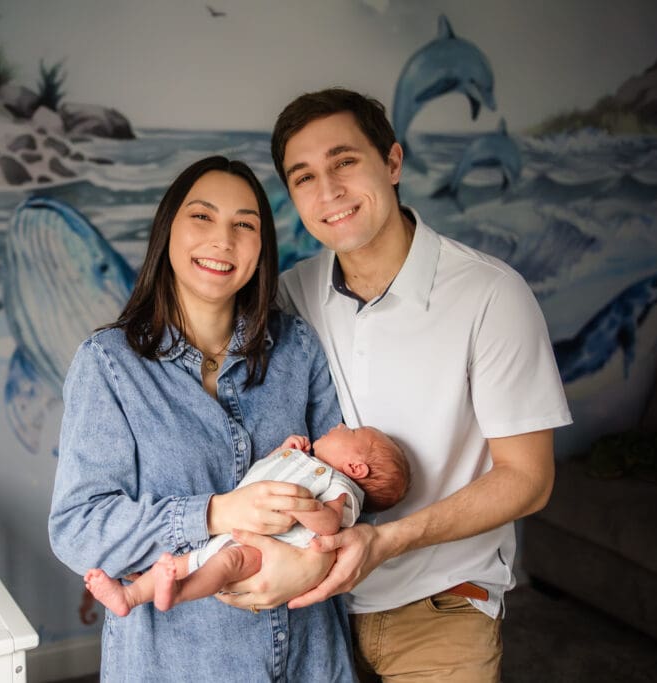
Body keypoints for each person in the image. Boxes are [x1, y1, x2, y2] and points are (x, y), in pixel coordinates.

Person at [213, 88, 573, 682]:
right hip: (311, 612)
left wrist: (385, 543)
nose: (327, 191)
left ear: (394, 162)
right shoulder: (289, 295)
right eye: (304, 177)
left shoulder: (490, 296)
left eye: (345, 162)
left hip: (441, 605)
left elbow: (528, 480)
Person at [48, 155, 358, 681]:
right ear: (167, 229)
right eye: (202, 217)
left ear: (261, 247)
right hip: (175, 664)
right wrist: (214, 514)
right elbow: (78, 529)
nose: (223, 240)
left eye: (245, 224)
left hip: (310, 658)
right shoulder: (108, 364)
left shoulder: (297, 349)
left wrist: (313, 560)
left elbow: (347, 483)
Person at [83, 423, 410, 617]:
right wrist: (284, 450)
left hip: (266, 549)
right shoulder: (304, 458)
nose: (339, 425)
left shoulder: (340, 489)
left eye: (350, 431)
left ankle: (179, 593)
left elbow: (329, 525)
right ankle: (129, 597)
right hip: (236, 530)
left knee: (225, 562)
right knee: (180, 562)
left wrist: (300, 507)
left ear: (356, 469)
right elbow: (264, 472)